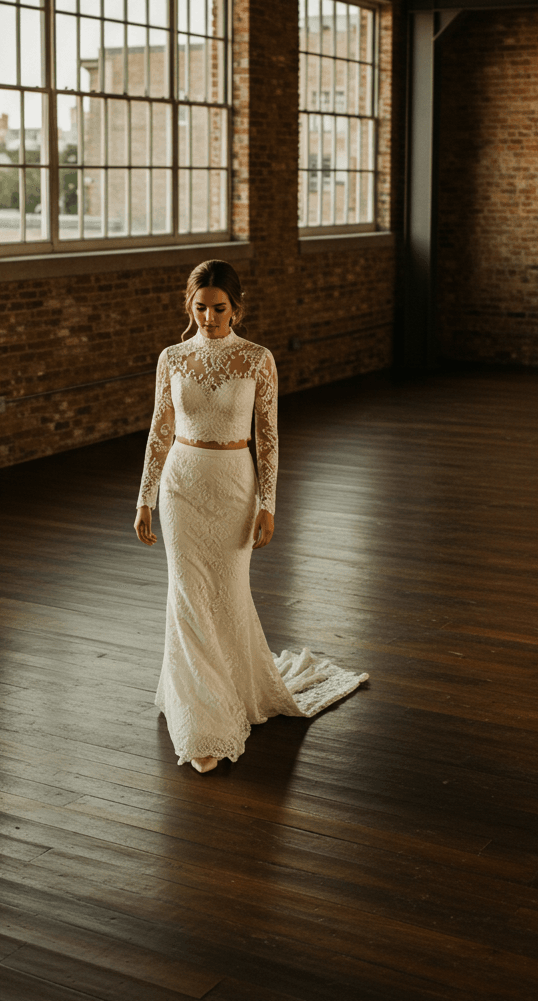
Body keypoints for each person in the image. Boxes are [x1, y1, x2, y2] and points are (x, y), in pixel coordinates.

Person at [134, 259, 368, 774]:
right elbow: (158, 432)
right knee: (187, 596)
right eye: (200, 309)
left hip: (234, 486)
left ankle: (231, 689)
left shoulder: (258, 360)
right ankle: (201, 717)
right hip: (181, 486)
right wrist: (144, 496)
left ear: (236, 309)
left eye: (220, 309)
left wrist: (268, 503)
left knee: (228, 594)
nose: (210, 319)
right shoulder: (171, 358)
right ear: (188, 307)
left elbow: (268, 437)